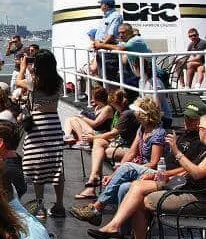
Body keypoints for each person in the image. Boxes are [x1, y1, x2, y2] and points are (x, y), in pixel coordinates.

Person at [85, 101, 206, 239]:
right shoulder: (182, 135)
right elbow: (188, 171)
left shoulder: (198, 145)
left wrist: (175, 153)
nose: (188, 122)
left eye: (201, 127)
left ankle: (120, 232)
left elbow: (195, 173)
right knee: (129, 187)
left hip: (193, 195)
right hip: (175, 181)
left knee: (138, 194)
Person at [69, 97, 167, 227]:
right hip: (140, 168)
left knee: (127, 168)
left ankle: (97, 208)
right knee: (122, 184)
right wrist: (116, 172)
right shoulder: (142, 130)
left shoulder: (157, 133)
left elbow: (154, 162)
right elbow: (131, 153)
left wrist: (129, 168)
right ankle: (122, 233)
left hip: (152, 171)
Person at [16, 49, 66, 220]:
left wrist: (23, 67)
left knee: (38, 165)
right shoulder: (59, 81)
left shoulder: (34, 82)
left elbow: (18, 82)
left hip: (38, 124)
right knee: (56, 164)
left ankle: (40, 205)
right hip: (54, 123)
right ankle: (59, 204)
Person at [73, 89, 139, 200]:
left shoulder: (126, 114)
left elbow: (114, 133)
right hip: (118, 143)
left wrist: (93, 137)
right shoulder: (119, 112)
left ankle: (93, 182)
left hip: (128, 148)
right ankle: (94, 178)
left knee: (99, 149)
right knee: (99, 144)